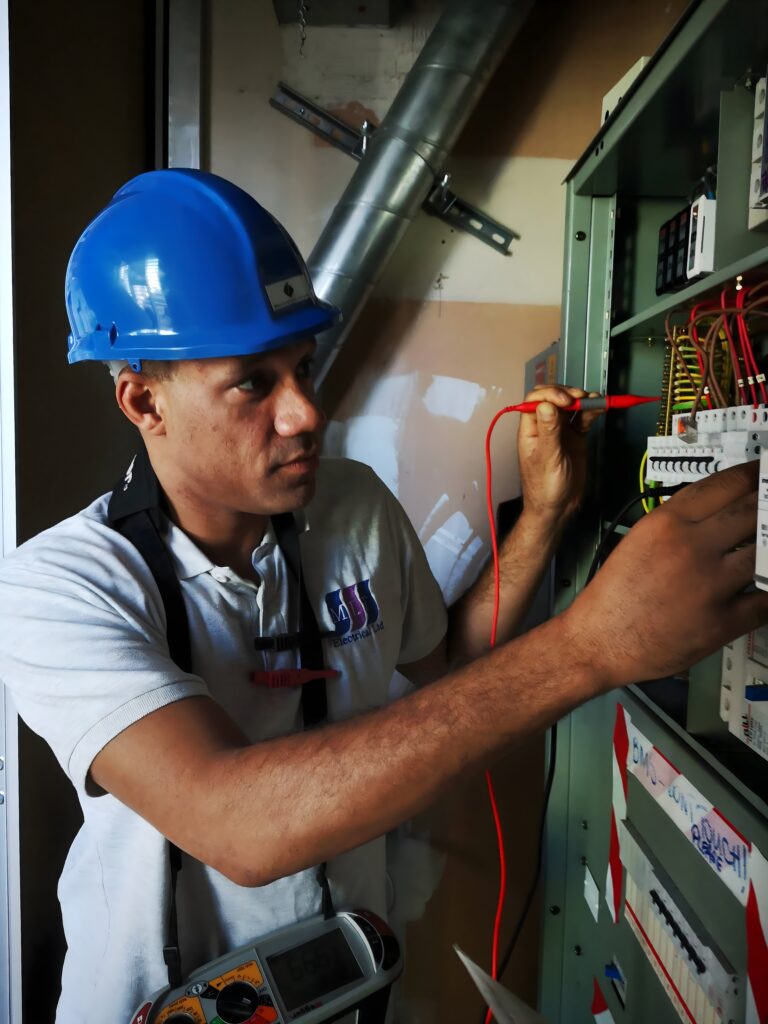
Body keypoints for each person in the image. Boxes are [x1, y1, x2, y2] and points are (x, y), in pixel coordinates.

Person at [0, 168, 765, 1023]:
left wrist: (546, 515)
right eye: (255, 382)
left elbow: (442, 669)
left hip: (349, 991)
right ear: (144, 401)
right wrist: (592, 645)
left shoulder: (355, 503)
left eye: (303, 367)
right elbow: (236, 822)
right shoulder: (60, 587)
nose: (305, 412)